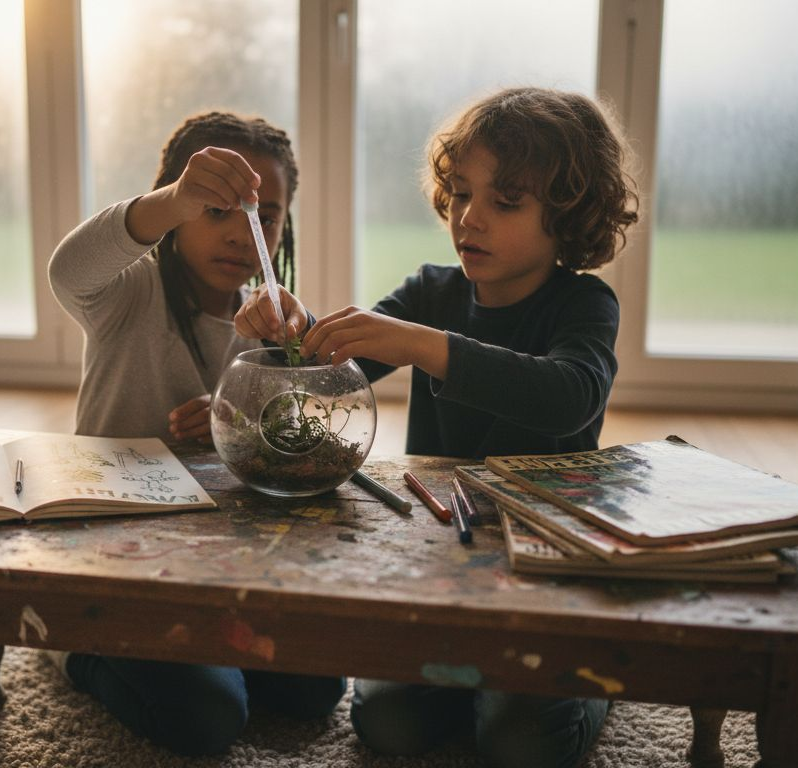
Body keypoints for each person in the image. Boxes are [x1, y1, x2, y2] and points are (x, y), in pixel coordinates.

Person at [235, 87, 639, 767]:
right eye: (459, 195)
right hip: (443, 561)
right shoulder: (431, 291)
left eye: (505, 202)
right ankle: (484, 679)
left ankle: (591, 675)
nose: (469, 219)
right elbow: (326, 361)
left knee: (521, 747)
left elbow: (571, 395)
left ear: (568, 216)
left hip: (543, 566)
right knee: (386, 725)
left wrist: (427, 346)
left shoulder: (584, 304)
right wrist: (289, 327)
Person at [45, 111, 342, 756]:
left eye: (264, 215)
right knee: (207, 716)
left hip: (216, 563)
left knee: (317, 690)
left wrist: (246, 417)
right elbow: (69, 270)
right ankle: (73, 651)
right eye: (214, 210)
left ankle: (203, 654)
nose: (242, 231)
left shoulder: (271, 321)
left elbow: (310, 443)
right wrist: (172, 198)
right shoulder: (127, 293)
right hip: (115, 551)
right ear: (174, 214)